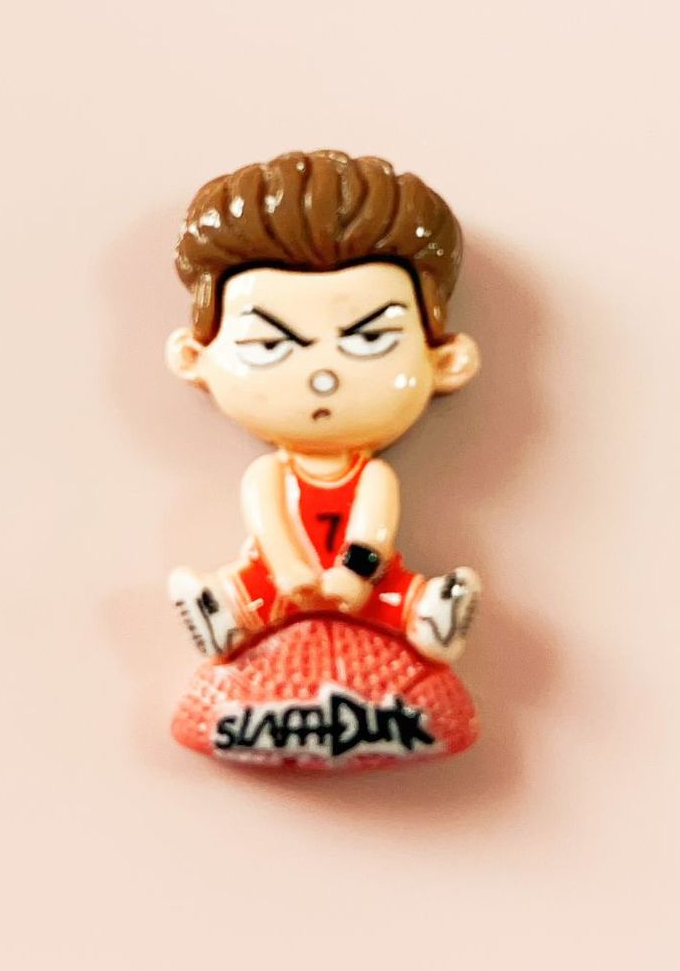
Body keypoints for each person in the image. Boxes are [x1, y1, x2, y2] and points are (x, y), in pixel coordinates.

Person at [166, 149, 483, 665]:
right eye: (269, 344)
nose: (323, 376)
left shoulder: (373, 475)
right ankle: (222, 611)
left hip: (360, 582)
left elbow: (372, 533)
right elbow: (271, 528)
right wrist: (291, 572)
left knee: (394, 592)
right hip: (283, 575)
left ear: (445, 361)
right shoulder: (269, 475)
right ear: (194, 357)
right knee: (254, 587)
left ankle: (430, 613)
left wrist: (353, 576)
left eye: (371, 339)